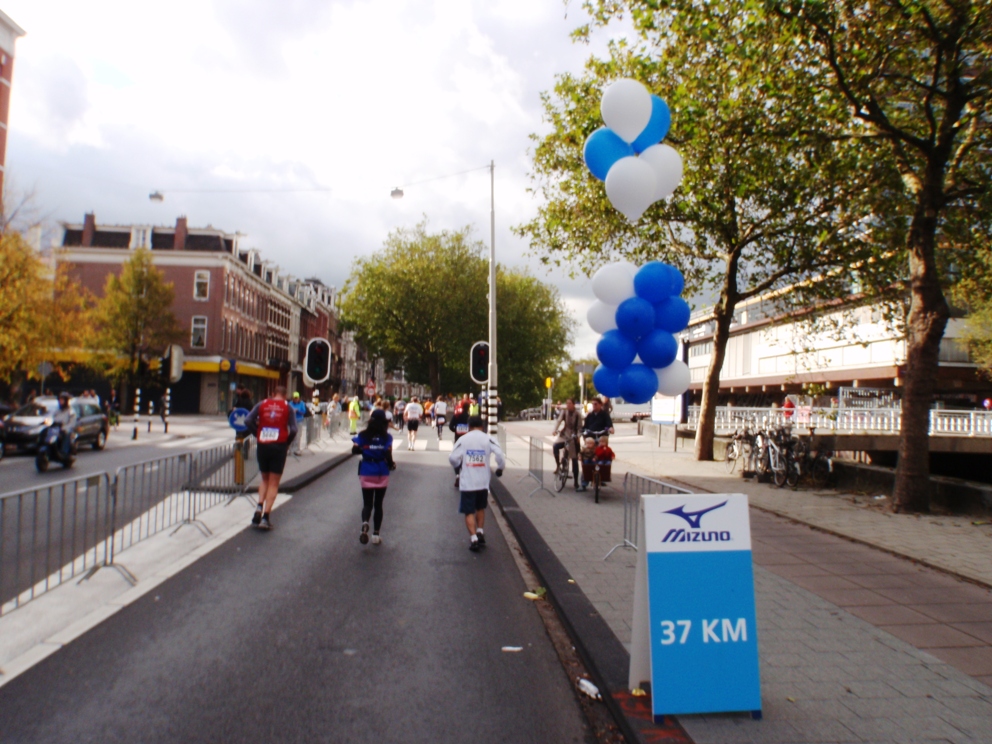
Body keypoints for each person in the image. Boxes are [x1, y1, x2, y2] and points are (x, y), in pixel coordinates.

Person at [244, 386, 297, 530]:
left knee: (265, 479)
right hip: (278, 446)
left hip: (263, 445)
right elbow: (294, 429)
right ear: (285, 396)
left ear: (273, 394)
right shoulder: (288, 408)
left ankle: (259, 507)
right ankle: (266, 517)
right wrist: (287, 442)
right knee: (274, 483)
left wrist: (258, 434)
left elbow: (248, 420)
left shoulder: (262, 404)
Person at [449, 416, 505, 552]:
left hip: (468, 481)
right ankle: (480, 531)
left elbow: (452, 458)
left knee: (469, 511)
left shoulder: (463, 439)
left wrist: (459, 465)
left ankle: (473, 538)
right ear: (482, 426)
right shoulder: (488, 439)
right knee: (480, 507)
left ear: (469, 426)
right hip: (483, 481)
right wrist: (500, 469)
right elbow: (500, 455)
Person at [352, 408, 396, 545]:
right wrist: (391, 464)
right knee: (378, 504)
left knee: (367, 503)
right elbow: (388, 454)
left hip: (366, 470)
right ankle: (376, 534)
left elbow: (355, 450)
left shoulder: (363, 435)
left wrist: (365, 449)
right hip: (381, 472)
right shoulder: (387, 437)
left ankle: (365, 523)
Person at [552, 398, 583, 489]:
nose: (568, 405)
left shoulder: (578, 414)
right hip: (564, 435)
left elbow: (580, 428)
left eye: (570, 403)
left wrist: (578, 436)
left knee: (574, 459)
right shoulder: (564, 412)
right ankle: (558, 465)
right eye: (567, 403)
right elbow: (558, 421)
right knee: (555, 446)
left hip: (573, 437)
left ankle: (576, 481)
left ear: (573, 404)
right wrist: (554, 430)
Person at [52, 391, 77, 458]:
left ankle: (64, 452)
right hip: (57, 429)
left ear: (66, 401)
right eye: (60, 400)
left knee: (66, 434)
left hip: (66, 429)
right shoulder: (57, 410)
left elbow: (72, 423)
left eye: (62, 400)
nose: (61, 401)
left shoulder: (70, 411)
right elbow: (52, 418)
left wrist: (64, 428)